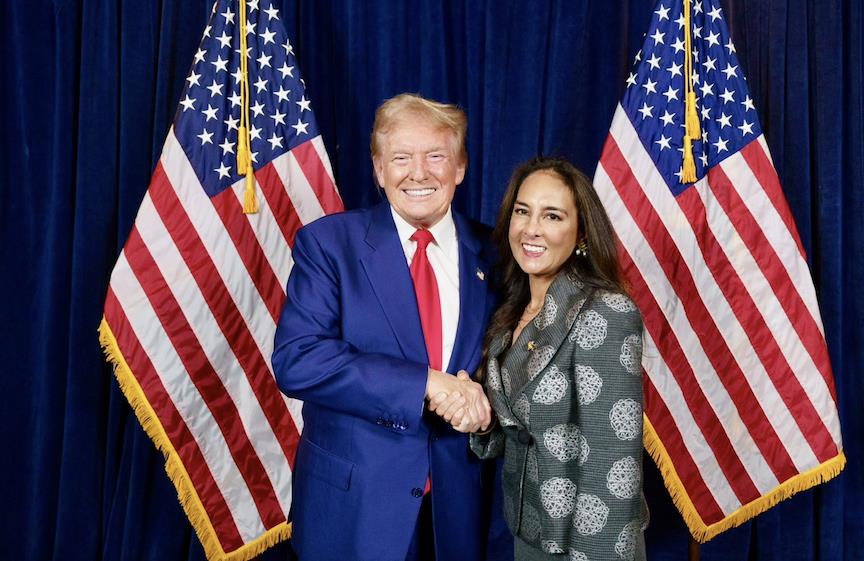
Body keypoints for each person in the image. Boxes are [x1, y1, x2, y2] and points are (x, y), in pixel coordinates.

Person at [271, 93, 507, 561]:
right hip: (355, 508)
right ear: (379, 170)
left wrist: (485, 411)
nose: (419, 173)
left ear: (459, 167)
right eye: (401, 158)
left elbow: (515, 367)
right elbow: (298, 360)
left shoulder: (497, 254)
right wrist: (426, 384)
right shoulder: (329, 244)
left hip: (458, 511)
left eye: (435, 156)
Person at [461, 157, 648, 560]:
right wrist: (478, 418)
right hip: (529, 528)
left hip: (590, 543)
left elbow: (615, 469)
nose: (531, 229)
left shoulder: (606, 312)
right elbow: (518, 430)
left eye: (552, 216)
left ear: (580, 231)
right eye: (522, 211)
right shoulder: (511, 311)